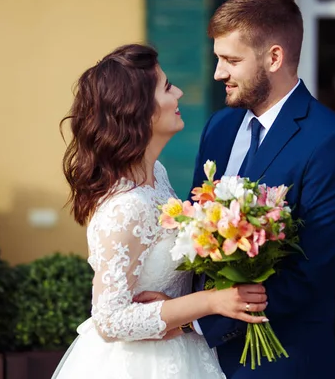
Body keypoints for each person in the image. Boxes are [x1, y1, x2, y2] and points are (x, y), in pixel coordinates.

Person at [51, 44, 269, 379]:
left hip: (181, 348)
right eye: (167, 87)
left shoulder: (159, 176)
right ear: (138, 110)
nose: (179, 92)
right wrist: (211, 302)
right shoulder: (125, 208)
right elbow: (109, 320)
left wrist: (178, 306)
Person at [187, 0, 335, 378]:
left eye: (230, 59)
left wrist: (199, 322)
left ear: (274, 57)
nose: (219, 72)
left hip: (282, 360)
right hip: (195, 358)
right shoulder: (219, 127)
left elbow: (308, 273)